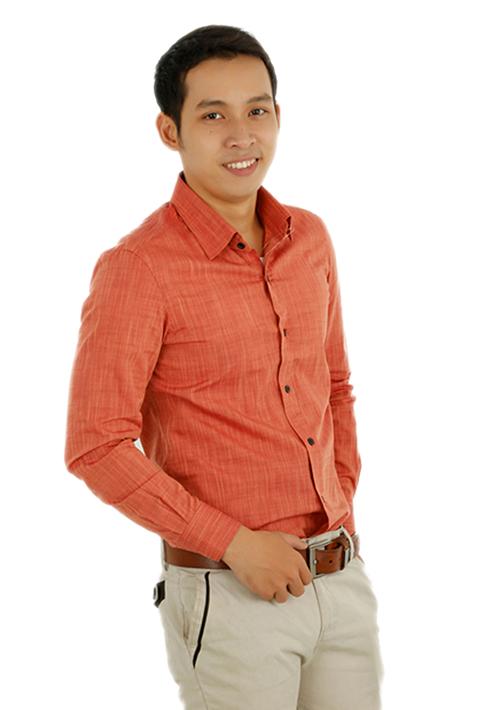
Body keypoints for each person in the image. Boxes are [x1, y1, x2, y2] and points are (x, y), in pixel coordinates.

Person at [65, 24, 383, 710]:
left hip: (341, 578)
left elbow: (335, 385)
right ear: (170, 131)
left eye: (256, 110)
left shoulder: (310, 237)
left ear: (277, 116)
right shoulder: (137, 268)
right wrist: (234, 544)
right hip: (229, 595)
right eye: (213, 116)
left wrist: (342, 500)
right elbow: (95, 445)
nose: (241, 135)